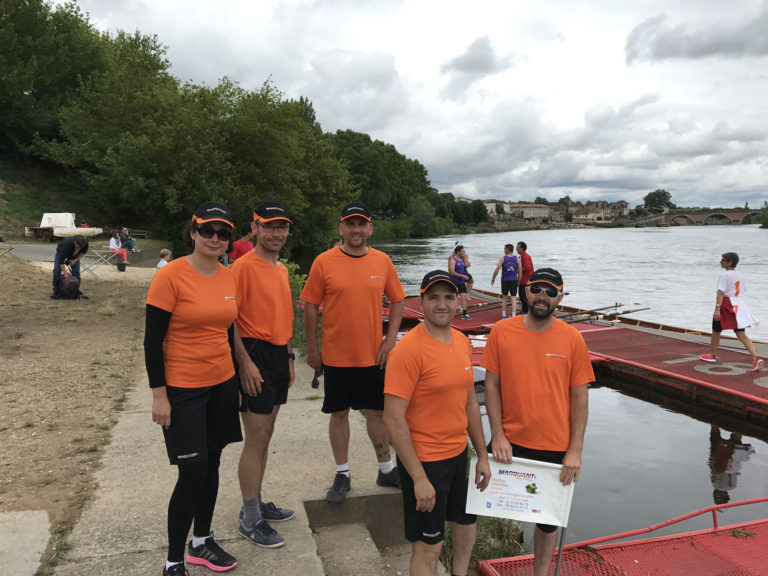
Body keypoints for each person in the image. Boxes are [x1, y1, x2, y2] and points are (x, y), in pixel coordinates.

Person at [144, 201, 241, 576]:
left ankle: (201, 542)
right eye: (208, 230)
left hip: (221, 383)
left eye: (223, 233)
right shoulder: (170, 275)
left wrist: (235, 377)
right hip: (183, 388)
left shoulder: (228, 276)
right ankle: (173, 561)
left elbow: (227, 330)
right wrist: (159, 394)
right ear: (194, 231)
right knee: (192, 473)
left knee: (213, 464)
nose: (215, 238)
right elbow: (152, 342)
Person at [482, 268, 592, 576]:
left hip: (555, 446)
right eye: (537, 289)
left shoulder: (572, 339)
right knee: (480, 507)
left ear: (560, 297)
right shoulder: (503, 331)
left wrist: (575, 451)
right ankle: (488, 552)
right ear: (525, 291)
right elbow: (492, 386)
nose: (542, 297)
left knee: (548, 523)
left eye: (551, 292)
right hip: (510, 443)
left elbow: (580, 399)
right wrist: (498, 435)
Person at [383, 270, 490, 576]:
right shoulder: (407, 351)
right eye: (434, 298)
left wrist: (481, 455)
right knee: (428, 546)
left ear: (459, 301)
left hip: (458, 455)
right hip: (426, 460)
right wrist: (418, 477)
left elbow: (470, 401)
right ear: (421, 302)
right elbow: (393, 418)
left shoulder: (461, 341)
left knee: (466, 522)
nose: (442, 304)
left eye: (448, 297)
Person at [301, 200, 406, 504]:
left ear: (370, 228)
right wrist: (312, 347)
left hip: (374, 355)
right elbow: (310, 304)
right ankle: (342, 473)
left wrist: (390, 339)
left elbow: (398, 300)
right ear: (341, 228)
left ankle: (386, 468)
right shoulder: (324, 261)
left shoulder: (382, 261)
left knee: (377, 413)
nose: (356, 229)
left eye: (362, 224)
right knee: (339, 414)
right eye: (350, 224)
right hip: (336, 356)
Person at [230, 200, 296, 548]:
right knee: (256, 437)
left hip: (276, 355)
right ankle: (250, 517)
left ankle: (256, 501)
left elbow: (282, 316)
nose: (276, 233)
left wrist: (288, 357)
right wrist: (244, 363)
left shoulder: (281, 268)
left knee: (266, 434)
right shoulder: (242, 267)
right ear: (254, 228)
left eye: (281, 226)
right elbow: (230, 320)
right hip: (252, 354)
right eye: (268, 226)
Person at [699, 252, 763, 371]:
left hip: (726, 304)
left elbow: (721, 293)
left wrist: (717, 308)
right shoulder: (740, 275)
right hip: (738, 304)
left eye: (723, 260)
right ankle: (755, 358)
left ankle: (711, 355)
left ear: (729, 262)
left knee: (716, 329)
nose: (720, 262)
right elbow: (742, 290)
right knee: (741, 333)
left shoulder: (724, 276)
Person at [51, 235, 89, 299]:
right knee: (57, 270)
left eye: (80, 248)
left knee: (76, 272)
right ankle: (56, 290)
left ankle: (75, 289)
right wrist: (65, 274)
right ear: (75, 242)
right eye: (78, 247)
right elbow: (61, 261)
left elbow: (82, 253)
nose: (79, 249)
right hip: (61, 253)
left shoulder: (85, 244)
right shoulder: (66, 244)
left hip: (74, 256)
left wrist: (75, 260)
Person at [490, 243, 521, 318]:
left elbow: (497, 270)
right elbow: (520, 271)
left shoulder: (502, 259)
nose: (504, 250)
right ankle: (513, 315)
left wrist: (493, 278)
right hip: (514, 280)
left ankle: (504, 315)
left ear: (507, 249)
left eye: (504, 249)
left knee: (504, 298)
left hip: (505, 280)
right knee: (513, 298)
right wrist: (519, 281)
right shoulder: (517, 259)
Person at [448, 243, 472, 320]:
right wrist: (463, 276)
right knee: (454, 298)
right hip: (454, 282)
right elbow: (452, 272)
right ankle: (451, 312)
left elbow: (466, 265)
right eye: (462, 251)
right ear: (458, 252)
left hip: (461, 282)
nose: (464, 252)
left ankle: (464, 314)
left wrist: (468, 264)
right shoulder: (452, 260)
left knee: (464, 297)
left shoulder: (462, 259)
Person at [516, 241, 533, 314]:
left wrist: (518, 269)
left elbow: (528, 267)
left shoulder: (526, 256)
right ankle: (524, 309)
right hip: (522, 279)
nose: (516, 249)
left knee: (523, 296)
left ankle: (526, 311)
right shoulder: (521, 257)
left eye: (518, 247)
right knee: (522, 296)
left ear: (522, 248)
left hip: (526, 280)